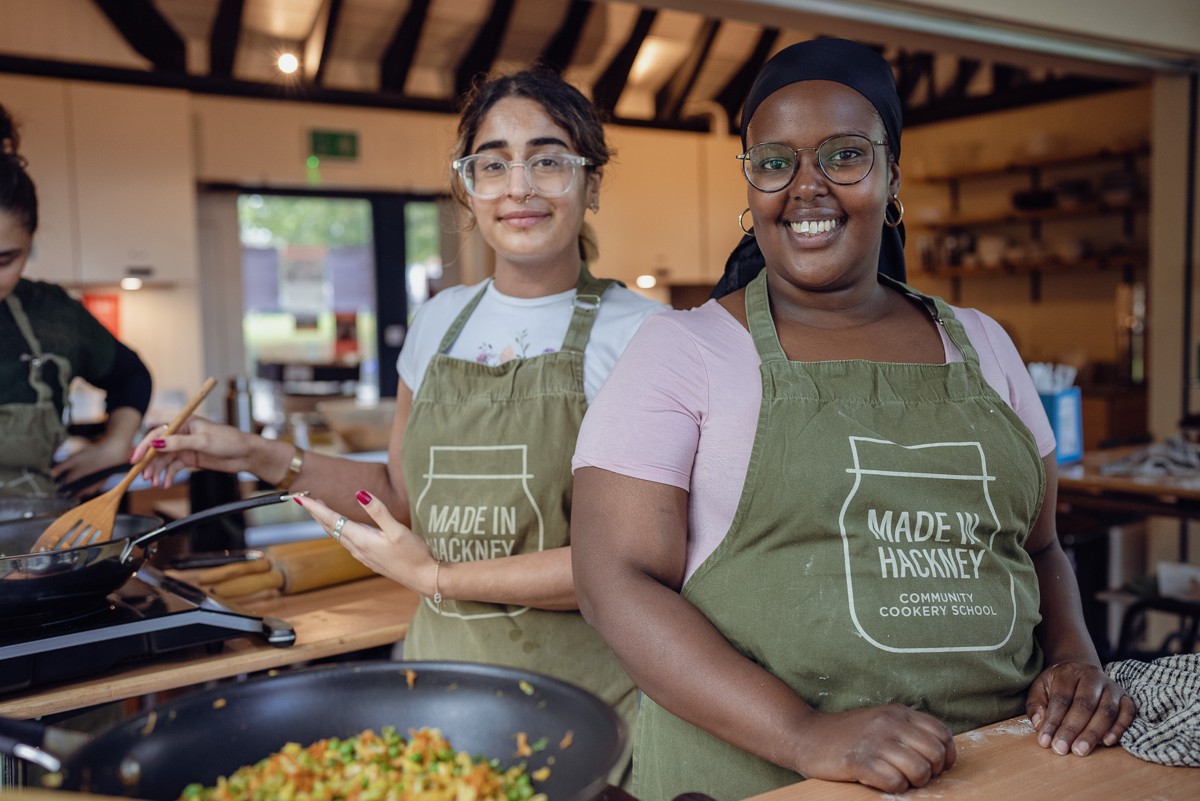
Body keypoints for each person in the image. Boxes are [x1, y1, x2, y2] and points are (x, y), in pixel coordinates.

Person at [569, 38, 1136, 801]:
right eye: (775, 161)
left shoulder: (986, 344)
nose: (807, 187)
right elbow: (614, 584)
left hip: (1009, 769)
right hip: (769, 781)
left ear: (892, 174)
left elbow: (1040, 547)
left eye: (844, 155)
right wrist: (803, 730)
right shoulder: (682, 351)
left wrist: (1076, 658)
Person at [131, 69, 664, 784]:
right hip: (435, 703)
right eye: (493, 163)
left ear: (590, 183)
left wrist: (438, 574)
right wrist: (254, 451)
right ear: (467, 188)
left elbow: (624, 562)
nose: (519, 186)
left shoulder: (645, 337)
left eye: (548, 158)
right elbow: (398, 494)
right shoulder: (441, 323)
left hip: (583, 712)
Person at [0, 102, 152, 498]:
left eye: (4, 260)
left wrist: (116, 444)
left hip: (37, 545)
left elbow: (131, 375)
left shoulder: (52, 314)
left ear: (31, 242)